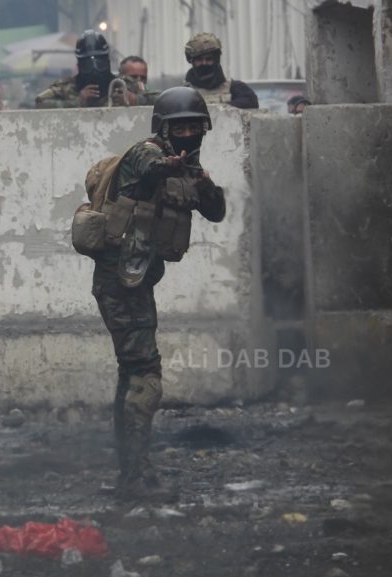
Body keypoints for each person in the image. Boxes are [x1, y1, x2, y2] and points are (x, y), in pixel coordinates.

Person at [90, 86, 225, 501]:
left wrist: (201, 181)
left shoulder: (189, 169)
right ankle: (135, 479)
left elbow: (217, 211)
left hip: (136, 281)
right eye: (178, 128)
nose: (187, 135)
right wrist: (167, 166)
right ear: (163, 129)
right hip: (120, 282)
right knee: (146, 375)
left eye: (193, 127)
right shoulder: (144, 154)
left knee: (131, 372)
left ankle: (129, 474)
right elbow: (149, 171)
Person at [35, 29, 155, 109]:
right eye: (88, 64)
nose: (95, 69)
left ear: (107, 62)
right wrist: (77, 102)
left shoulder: (123, 85)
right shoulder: (67, 87)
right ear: (80, 65)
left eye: (100, 63)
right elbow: (40, 102)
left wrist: (136, 100)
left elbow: (160, 100)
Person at [184, 33, 258, 109]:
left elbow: (251, 102)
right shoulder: (184, 93)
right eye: (199, 59)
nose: (204, 63)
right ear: (191, 61)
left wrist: (223, 108)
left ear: (216, 60)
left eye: (208, 59)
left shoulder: (236, 88)